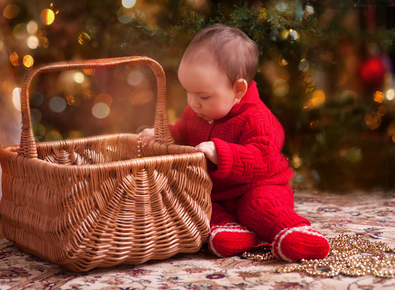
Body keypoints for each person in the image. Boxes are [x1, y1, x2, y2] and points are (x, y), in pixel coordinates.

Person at [137, 23, 330, 261]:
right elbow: (180, 132)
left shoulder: (257, 118)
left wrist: (221, 152)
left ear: (238, 89)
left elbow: (262, 159)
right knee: (193, 204)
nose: (193, 103)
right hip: (216, 192)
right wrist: (159, 134)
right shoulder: (197, 112)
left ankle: (292, 230)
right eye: (189, 92)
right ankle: (232, 229)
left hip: (258, 186)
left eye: (204, 96)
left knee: (258, 207)